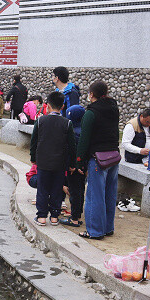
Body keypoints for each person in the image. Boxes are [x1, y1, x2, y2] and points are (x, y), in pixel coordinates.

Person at [76, 81, 120, 240]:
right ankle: (108, 228)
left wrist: (79, 160)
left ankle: (94, 231)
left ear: (91, 94)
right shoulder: (113, 108)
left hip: (98, 159)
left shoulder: (91, 113)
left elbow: (84, 139)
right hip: (113, 156)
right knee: (109, 194)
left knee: (95, 195)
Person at [30, 92, 76, 226]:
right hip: (60, 163)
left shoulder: (40, 121)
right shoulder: (67, 123)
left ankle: (42, 217)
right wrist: (72, 163)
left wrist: (33, 158)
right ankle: (54, 217)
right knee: (56, 189)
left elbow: (34, 142)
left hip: (43, 161)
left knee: (43, 189)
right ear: (62, 107)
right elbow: (72, 146)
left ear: (48, 106)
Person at [61, 105, 86, 227]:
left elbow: (71, 151)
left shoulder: (72, 132)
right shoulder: (84, 130)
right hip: (82, 168)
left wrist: (71, 166)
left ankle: (74, 218)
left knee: (74, 191)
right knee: (80, 190)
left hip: (74, 168)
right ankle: (78, 214)